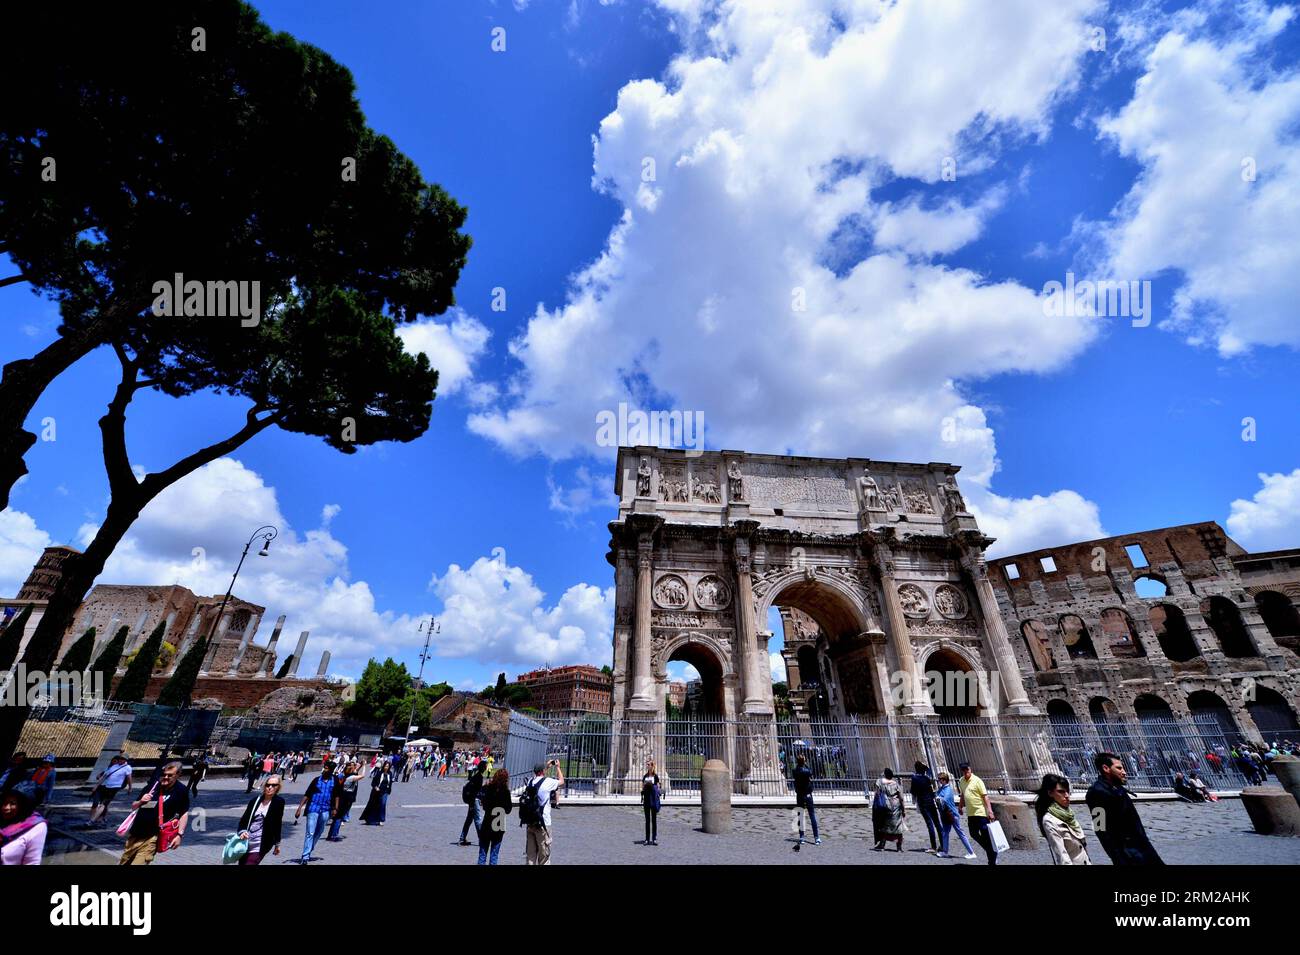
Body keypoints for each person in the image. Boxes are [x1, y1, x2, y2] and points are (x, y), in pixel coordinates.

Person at [1085, 752, 1164, 865]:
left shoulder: (1118, 788)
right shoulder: (1096, 793)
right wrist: (1118, 858)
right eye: (1119, 768)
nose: (1124, 772)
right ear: (1106, 768)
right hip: (1128, 855)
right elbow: (1100, 828)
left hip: (1143, 849)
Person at [120, 760, 190, 865]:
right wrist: (141, 801)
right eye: (164, 774)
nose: (165, 777)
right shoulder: (153, 786)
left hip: (153, 837)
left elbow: (184, 813)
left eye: (170, 775)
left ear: (178, 775)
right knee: (124, 862)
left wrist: (179, 835)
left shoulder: (181, 791)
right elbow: (133, 806)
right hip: (135, 834)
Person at [1034, 773, 1091, 865]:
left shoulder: (1068, 814)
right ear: (1050, 793)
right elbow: (1062, 856)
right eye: (1061, 792)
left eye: (1067, 791)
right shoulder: (1049, 820)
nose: (1067, 795)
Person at [295, 761, 340, 864]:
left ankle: (309, 849)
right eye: (326, 768)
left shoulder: (335, 781)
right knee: (310, 832)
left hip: (326, 809)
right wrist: (299, 808)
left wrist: (335, 808)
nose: (326, 770)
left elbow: (337, 794)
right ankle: (305, 856)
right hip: (313, 808)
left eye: (329, 769)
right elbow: (307, 794)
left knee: (319, 831)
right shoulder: (316, 780)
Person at [521, 760, 564, 865]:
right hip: (543, 823)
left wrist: (546, 767)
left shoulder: (530, 782)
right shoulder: (548, 782)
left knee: (530, 856)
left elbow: (539, 778)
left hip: (530, 822)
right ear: (543, 771)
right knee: (544, 856)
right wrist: (558, 767)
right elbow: (561, 781)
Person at [237, 775, 285, 865]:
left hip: (261, 844)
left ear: (278, 787)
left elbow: (277, 824)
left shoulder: (279, 802)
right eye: (268, 785)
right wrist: (242, 832)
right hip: (246, 842)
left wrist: (277, 844)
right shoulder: (254, 801)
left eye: (274, 785)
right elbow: (244, 820)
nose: (270, 787)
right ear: (264, 786)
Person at [957, 762, 997, 865]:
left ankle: (991, 860)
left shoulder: (977, 781)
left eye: (967, 769)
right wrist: (960, 806)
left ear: (970, 769)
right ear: (962, 771)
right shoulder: (961, 781)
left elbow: (985, 797)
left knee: (986, 836)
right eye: (964, 770)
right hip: (971, 814)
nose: (966, 772)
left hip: (981, 813)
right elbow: (962, 795)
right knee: (973, 833)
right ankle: (991, 850)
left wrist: (990, 811)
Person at [1, 782, 47, 865]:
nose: (5, 808)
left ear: (23, 806)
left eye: (12, 804)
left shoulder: (36, 827)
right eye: (4, 803)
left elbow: (32, 862)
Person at [934, 771, 975, 859]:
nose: (938, 781)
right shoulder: (942, 789)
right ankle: (945, 851)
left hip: (952, 814)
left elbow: (944, 800)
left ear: (944, 780)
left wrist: (938, 798)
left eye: (940, 780)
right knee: (945, 833)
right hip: (945, 814)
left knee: (960, 833)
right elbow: (937, 796)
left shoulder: (948, 790)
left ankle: (971, 852)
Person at [477, 768, 513, 865]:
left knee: (482, 853)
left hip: (487, 822)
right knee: (494, 854)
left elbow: (484, 806)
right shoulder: (506, 792)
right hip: (499, 824)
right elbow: (509, 810)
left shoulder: (488, 789)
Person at [87, 753, 133, 828]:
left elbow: (129, 778)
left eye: (123, 759)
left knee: (103, 804)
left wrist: (130, 787)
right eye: (120, 758)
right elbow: (104, 777)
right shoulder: (114, 766)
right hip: (105, 786)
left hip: (114, 788)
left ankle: (92, 821)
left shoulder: (128, 768)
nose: (121, 760)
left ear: (125, 760)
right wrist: (96, 786)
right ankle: (95, 819)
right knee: (98, 803)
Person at [328, 761, 366, 841]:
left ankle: (330, 834)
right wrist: (365, 766)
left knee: (336, 817)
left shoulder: (342, 776)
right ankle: (334, 835)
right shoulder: (351, 778)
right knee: (339, 817)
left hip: (341, 796)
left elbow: (355, 772)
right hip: (347, 799)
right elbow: (362, 775)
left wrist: (361, 765)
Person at [871, 768, 905, 851]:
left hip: (885, 805)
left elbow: (877, 793)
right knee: (898, 826)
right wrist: (903, 809)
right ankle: (899, 847)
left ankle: (882, 844)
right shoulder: (896, 784)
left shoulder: (880, 782)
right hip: (896, 805)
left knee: (884, 825)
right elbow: (901, 798)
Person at [909, 761, 940, 854]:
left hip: (923, 803)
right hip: (931, 802)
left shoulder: (914, 778)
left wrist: (914, 801)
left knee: (930, 824)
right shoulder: (927, 778)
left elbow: (913, 792)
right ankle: (943, 844)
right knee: (937, 824)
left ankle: (933, 846)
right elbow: (932, 791)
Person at [459, 760, 486, 846]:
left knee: (469, 820)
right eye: (485, 766)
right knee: (478, 820)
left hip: (473, 801)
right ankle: (481, 839)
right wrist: (472, 804)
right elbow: (474, 792)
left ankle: (462, 838)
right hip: (474, 801)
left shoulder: (476, 776)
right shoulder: (479, 777)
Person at [360, 760, 393, 826]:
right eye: (385, 766)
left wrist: (389, 790)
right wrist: (375, 787)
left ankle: (381, 819)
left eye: (387, 766)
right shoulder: (379, 773)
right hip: (377, 792)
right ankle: (369, 819)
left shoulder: (390, 774)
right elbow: (373, 782)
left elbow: (390, 783)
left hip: (385, 791)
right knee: (373, 805)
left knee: (383, 804)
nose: (386, 767)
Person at [641, 759, 662, 846]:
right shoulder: (645, 776)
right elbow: (642, 787)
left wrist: (655, 786)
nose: (648, 766)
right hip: (646, 800)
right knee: (647, 821)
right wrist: (645, 786)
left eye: (649, 764)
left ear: (652, 766)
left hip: (653, 800)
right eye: (647, 764)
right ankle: (647, 839)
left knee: (654, 820)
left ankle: (654, 838)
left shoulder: (655, 776)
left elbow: (658, 788)